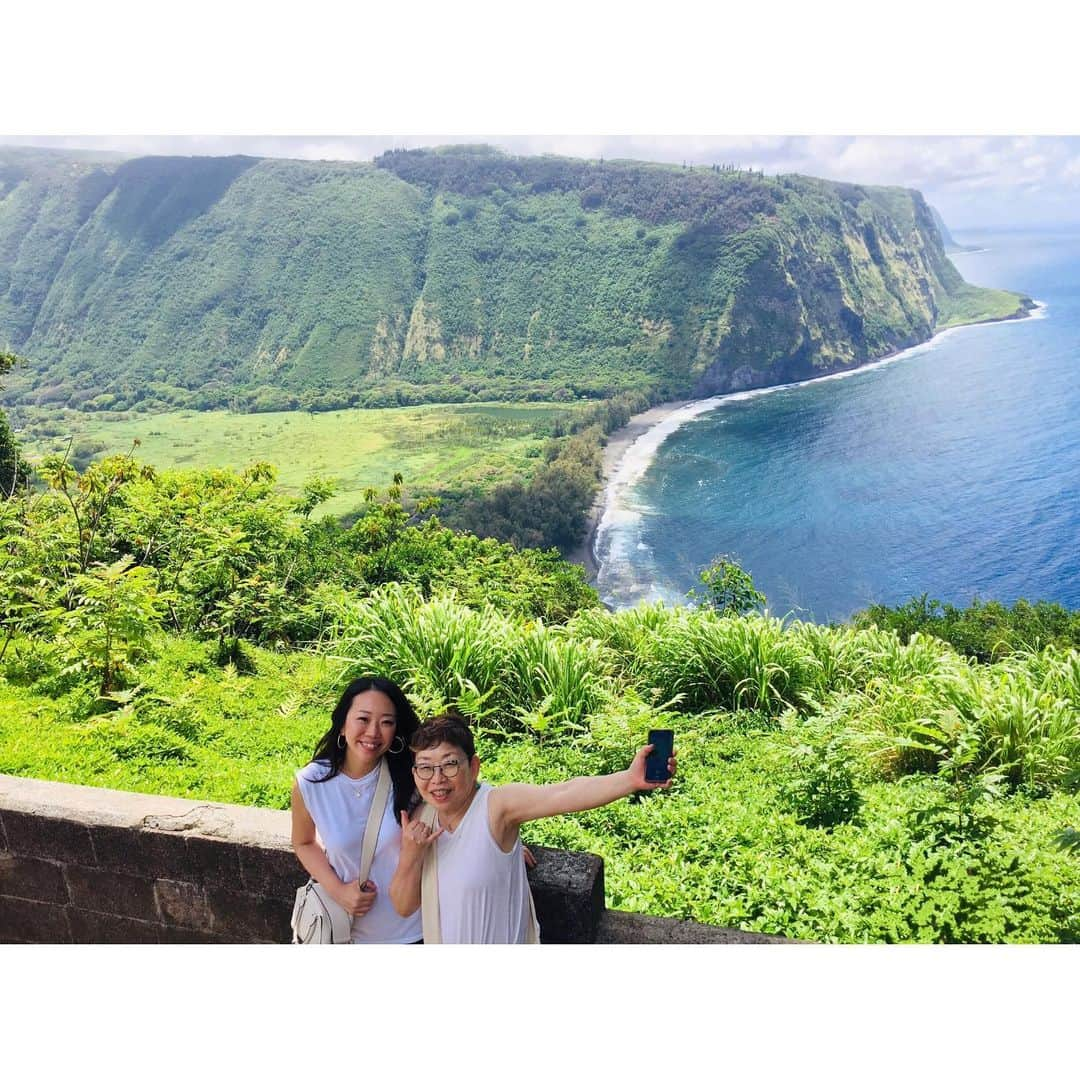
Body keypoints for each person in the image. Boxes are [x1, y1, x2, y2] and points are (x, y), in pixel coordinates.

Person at [389, 711, 676, 943]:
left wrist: (629, 779)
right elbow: (403, 907)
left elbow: (561, 793)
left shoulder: (496, 807)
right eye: (425, 767)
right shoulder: (421, 822)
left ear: (473, 766)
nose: (437, 779)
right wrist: (411, 855)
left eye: (450, 765)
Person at [291, 676, 424, 944]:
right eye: (363, 719)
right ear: (342, 724)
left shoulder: (412, 774)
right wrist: (337, 890)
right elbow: (303, 842)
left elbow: (458, 787)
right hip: (346, 933)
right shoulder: (311, 783)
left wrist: (490, 836)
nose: (374, 732)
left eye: (386, 722)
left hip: (416, 930)